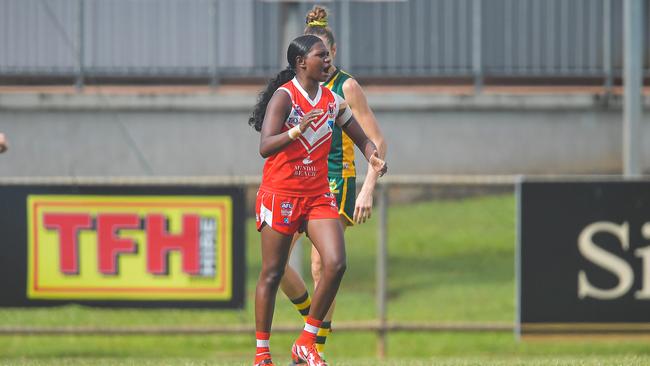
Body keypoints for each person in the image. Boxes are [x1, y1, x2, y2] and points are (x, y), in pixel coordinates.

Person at [249, 34, 386, 366]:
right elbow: (265, 146)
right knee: (272, 272)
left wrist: (373, 157)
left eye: (328, 56)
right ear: (301, 63)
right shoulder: (285, 98)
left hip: (316, 196)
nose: (327, 61)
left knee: (335, 263)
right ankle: (262, 353)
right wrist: (296, 130)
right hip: (281, 194)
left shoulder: (333, 100)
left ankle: (306, 341)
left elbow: (361, 137)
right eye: (320, 56)